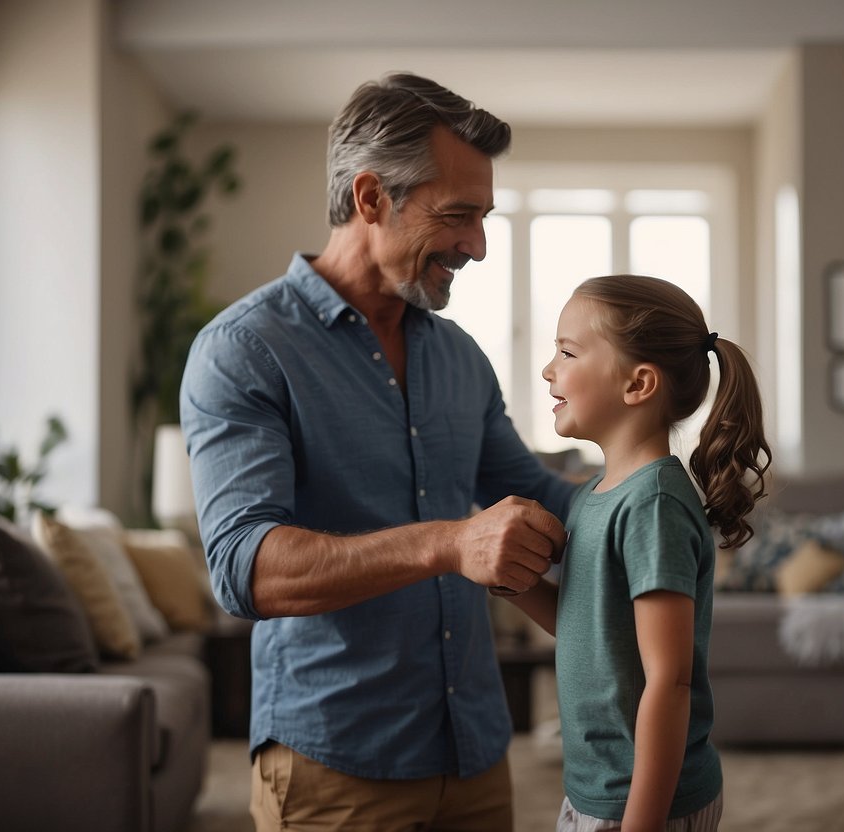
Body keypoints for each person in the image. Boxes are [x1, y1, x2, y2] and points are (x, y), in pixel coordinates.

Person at [179, 73, 576, 831]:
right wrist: (448, 543)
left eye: (483, 217)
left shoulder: (460, 356)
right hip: (334, 768)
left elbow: (534, 489)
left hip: (477, 754)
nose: (478, 246)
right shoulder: (244, 350)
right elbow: (245, 568)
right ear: (369, 199)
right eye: (457, 216)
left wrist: (655, 498)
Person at [504, 275, 772, 831]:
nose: (548, 370)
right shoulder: (594, 494)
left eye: (567, 351)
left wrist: (641, 823)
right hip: (598, 789)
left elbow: (669, 682)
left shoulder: (653, 506)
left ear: (638, 384)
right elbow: (589, 630)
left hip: (643, 803)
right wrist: (514, 582)